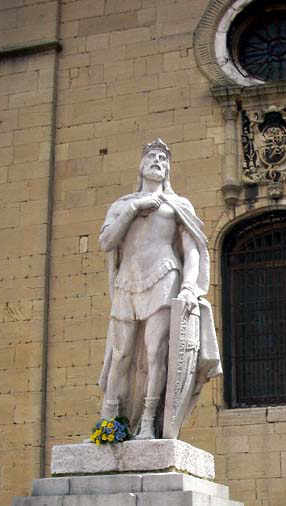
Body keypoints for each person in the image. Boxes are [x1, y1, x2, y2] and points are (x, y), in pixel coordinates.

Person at [98, 138, 221, 439]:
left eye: (163, 159)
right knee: (121, 355)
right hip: (128, 280)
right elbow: (106, 242)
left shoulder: (178, 206)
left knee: (157, 353)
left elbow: (192, 250)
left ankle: (149, 422)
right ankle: (108, 423)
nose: (157, 161)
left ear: (168, 170)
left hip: (165, 277)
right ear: (141, 165)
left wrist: (191, 287)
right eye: (152, 156)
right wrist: (134, 209)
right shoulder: (122, 205)